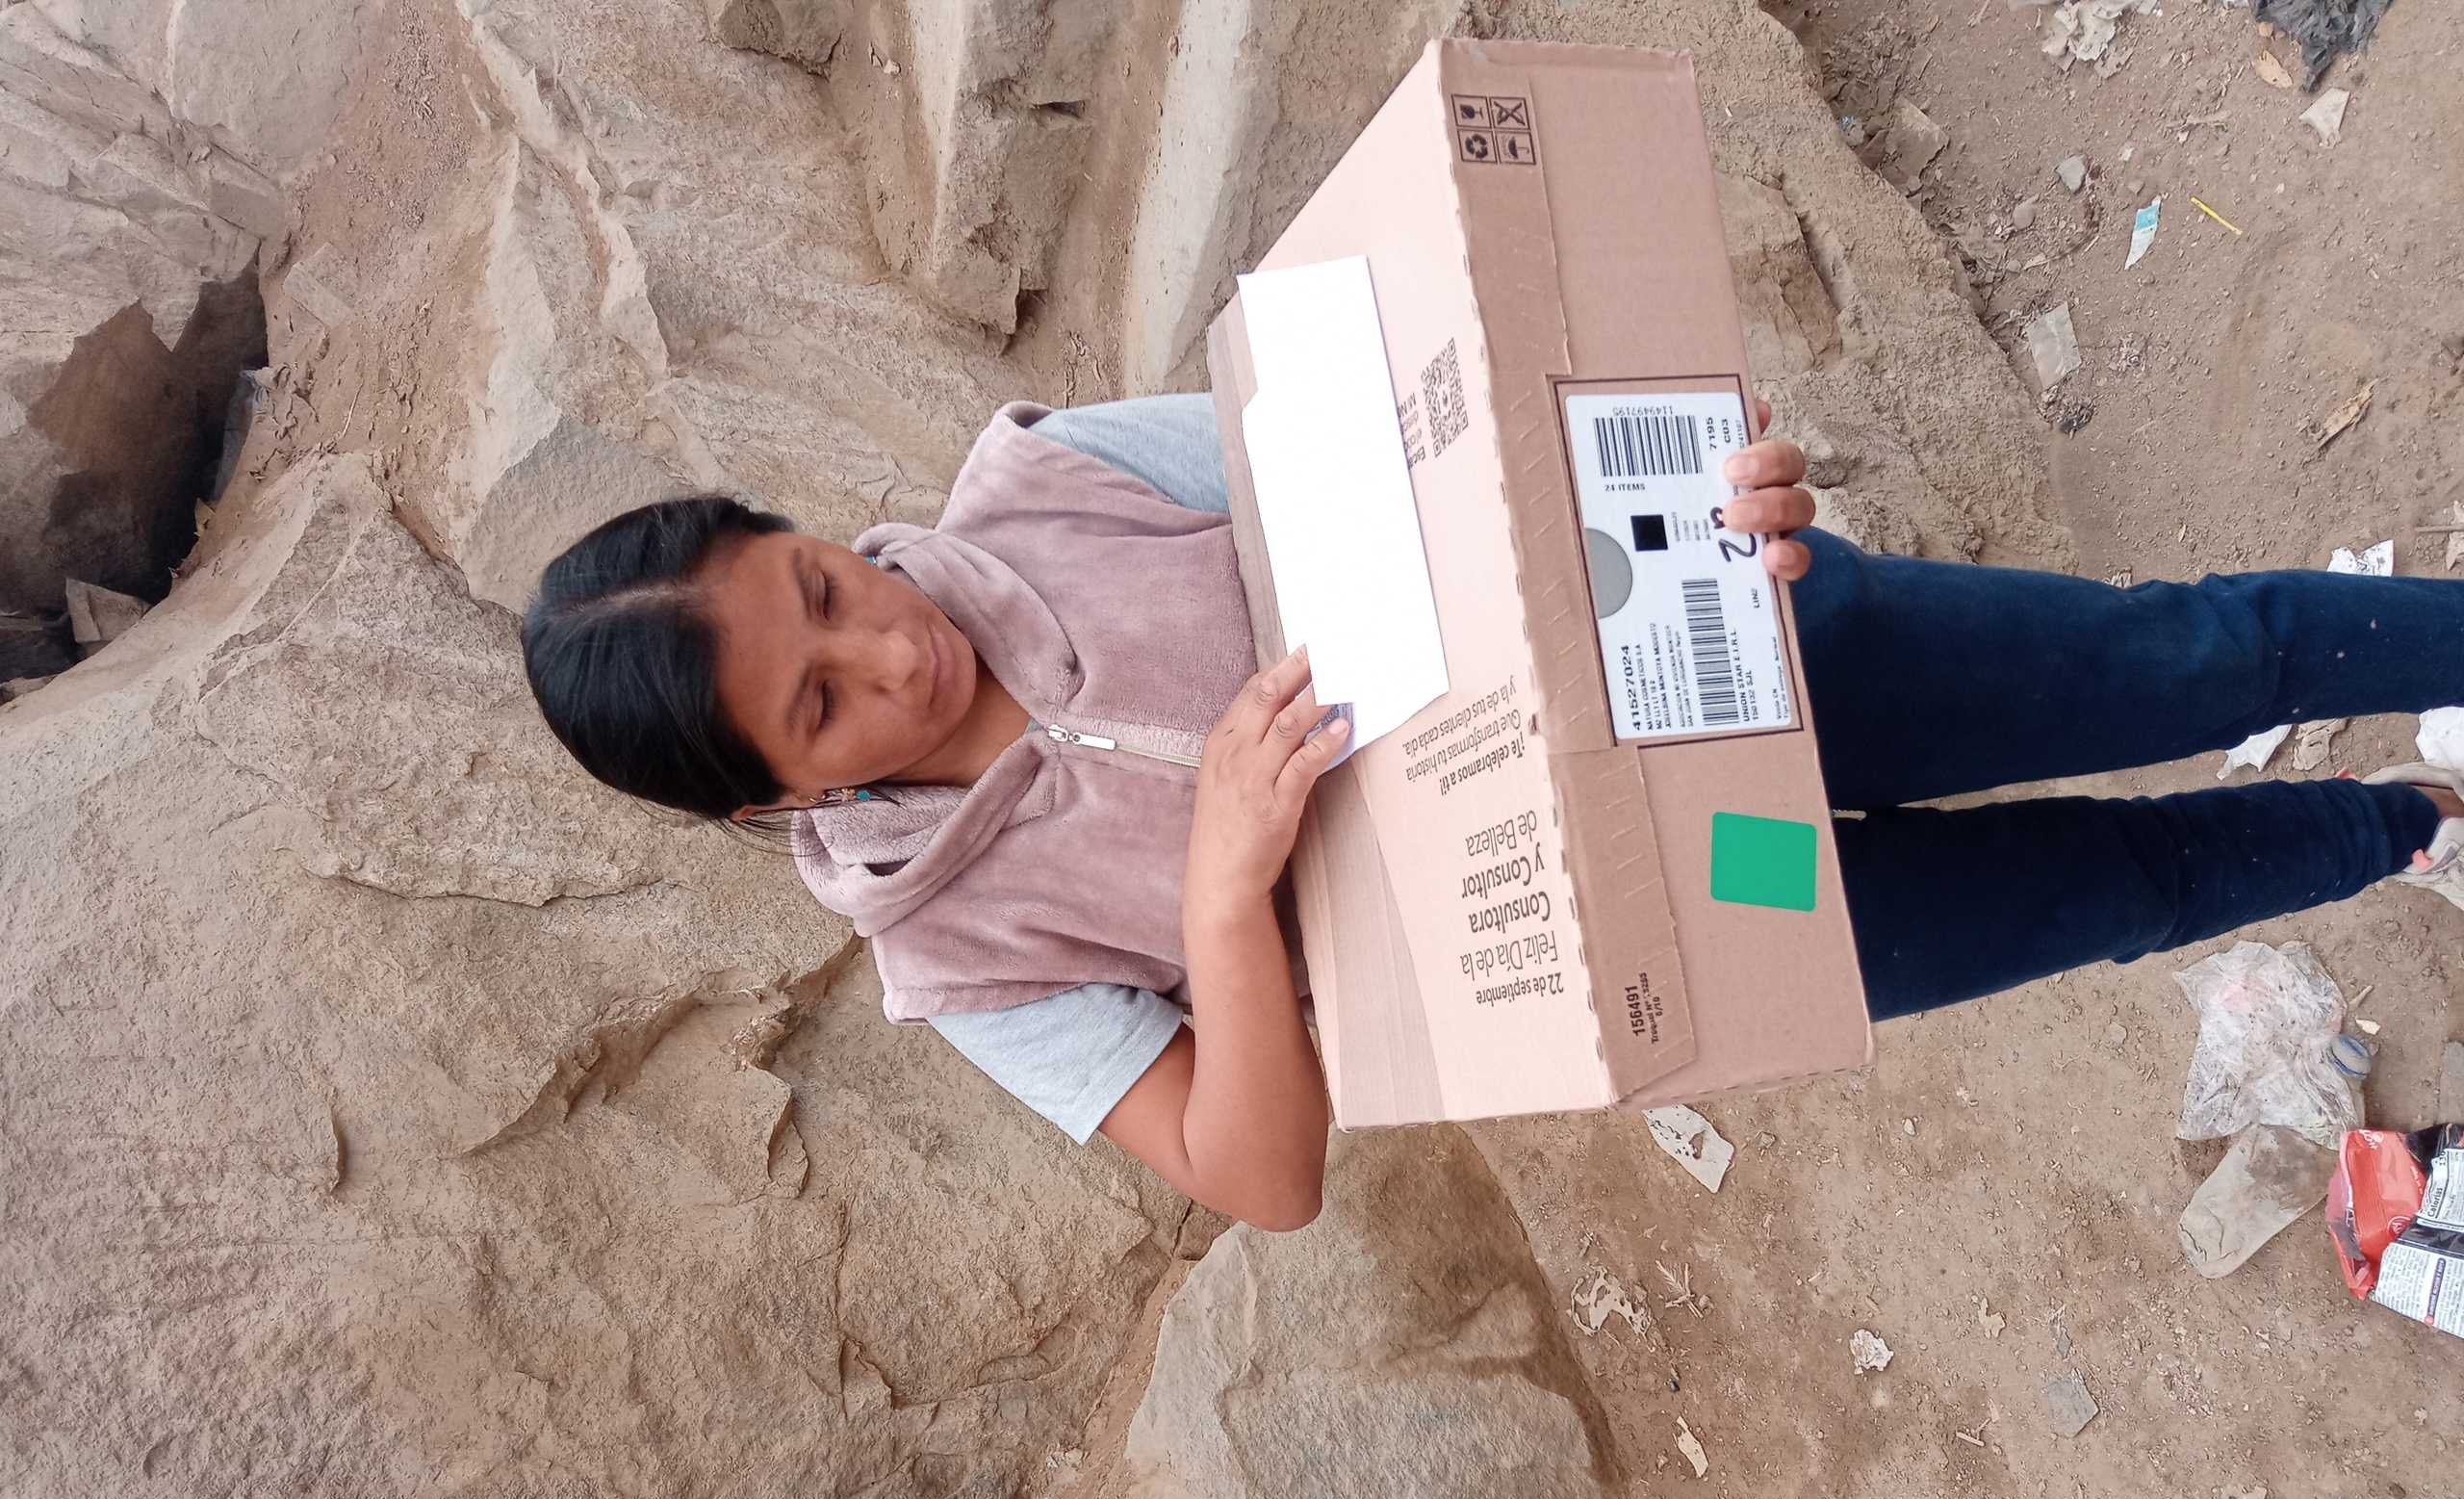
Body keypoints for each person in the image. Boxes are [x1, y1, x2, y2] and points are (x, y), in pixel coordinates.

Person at [522, 395, 2464, 1230]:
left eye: (824, 584)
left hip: (1744, 671)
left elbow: (1449, 451)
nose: (890, 647)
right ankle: (2410, 826)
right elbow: (1256, 1174)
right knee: (2093, 885)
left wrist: (1708, 490)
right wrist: (1221, 904)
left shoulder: (1051, 480)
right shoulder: (958, 956)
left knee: (2180, 658)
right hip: (1695, 897)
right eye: (821, 705)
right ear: (773, 803)